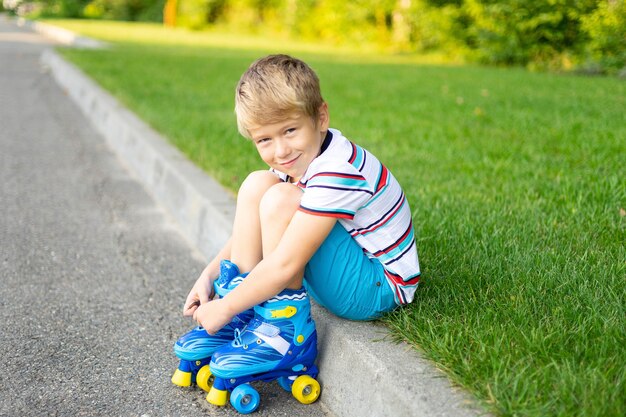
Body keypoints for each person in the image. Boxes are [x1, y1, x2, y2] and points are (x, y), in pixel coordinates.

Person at [182, 54, 421, 334]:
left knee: (280, 200)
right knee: (258, 184)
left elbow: (286, 263)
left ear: (320, 118)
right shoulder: (300, 158)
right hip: (340, 271)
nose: (281, 150)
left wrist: (223, 308)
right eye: (265, 140)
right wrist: (209, 275)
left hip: (375, 288)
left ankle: (282, 329)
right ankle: (242, 312)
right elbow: (252, 229)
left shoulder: (338, 169)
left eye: (290, 130)